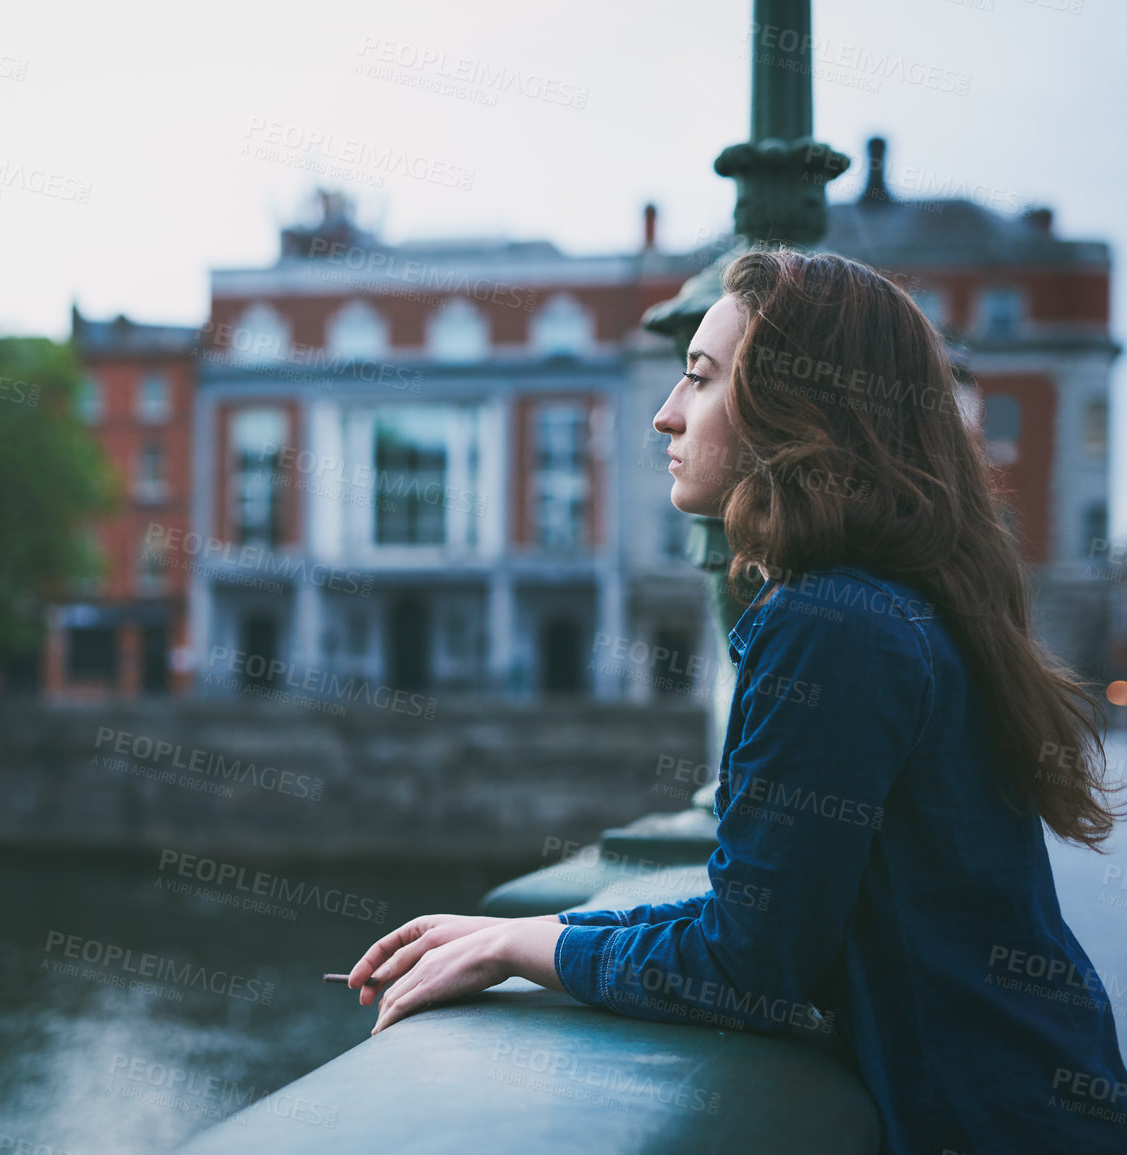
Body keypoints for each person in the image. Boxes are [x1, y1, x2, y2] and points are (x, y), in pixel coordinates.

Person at [345, 247, 1127, 1154]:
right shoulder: (894, 603)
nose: (663, 414)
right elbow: (763, 908)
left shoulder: (830, 622)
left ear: (798, 411)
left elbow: (745, 962)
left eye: (701, 378)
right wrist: (542, 928)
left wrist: (518, 950)